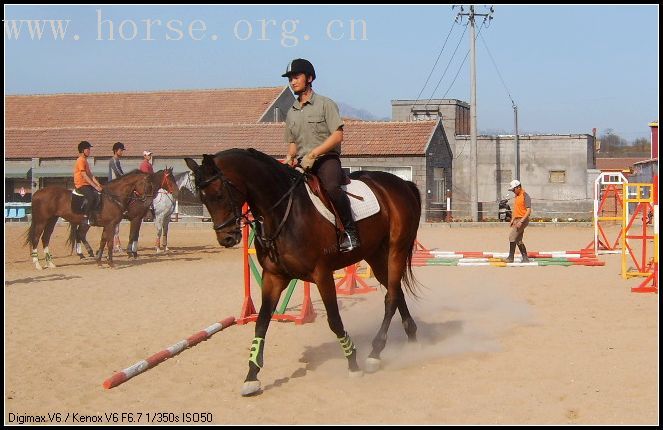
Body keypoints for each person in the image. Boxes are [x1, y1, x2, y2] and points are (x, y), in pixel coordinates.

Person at [281, 58, 359, 252]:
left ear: (310, 78)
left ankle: (350, 232)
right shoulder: (291, 112)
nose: (292, 82)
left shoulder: (325, 104)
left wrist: (314, 153)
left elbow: (338, 135)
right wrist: (289, 158)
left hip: (325, 160)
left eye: (296, 77)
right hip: (301, 163)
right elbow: (292, 143)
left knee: (332, 188)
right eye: (290, 78)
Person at [73, 141, 103, 224]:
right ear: (83, 150)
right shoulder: (80, 160)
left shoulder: (85, 161)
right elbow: (85, 176)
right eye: (88, 149)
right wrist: (95, 186)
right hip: (81, 184)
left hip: (86, 184)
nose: (89, 151)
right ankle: (86, 216)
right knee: (91, 197)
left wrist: (98, 184)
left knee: (99, 195)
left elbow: (90, 175)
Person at [505, 179, 532, 263]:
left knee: (512, 237)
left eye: (513, 189)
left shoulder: (525, 195)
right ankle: (525, 258)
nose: (513, 191)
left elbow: (528, 210)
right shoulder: (517, 196)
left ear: (518, 187)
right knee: (518, 240)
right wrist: (513, 219)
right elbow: (516, 209)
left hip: (523, 219)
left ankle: (511, 258)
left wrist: (521, 221)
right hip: (517, 219)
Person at [108, 142, 126, 252]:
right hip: (112, 188)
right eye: (121, 150)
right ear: (116, 150)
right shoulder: (113, 161)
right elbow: (119, 174)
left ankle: (116, 243)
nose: (122, 152)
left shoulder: (118, 161)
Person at [139, 150, 155, 220]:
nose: (150, 156)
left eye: (150, 155)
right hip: (145, 184)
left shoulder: (149, 164)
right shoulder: (144, 164)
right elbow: (146, 176)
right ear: (144, 156)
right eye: (148, 155)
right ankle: (147, 214)